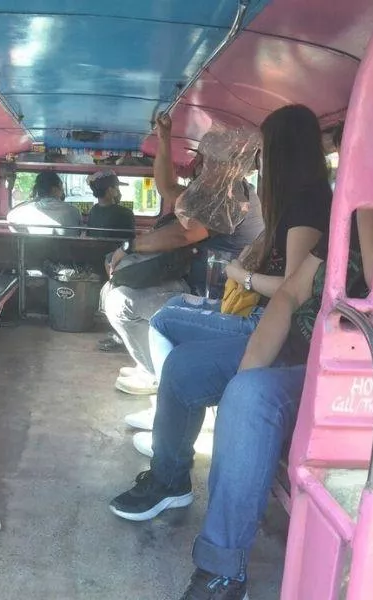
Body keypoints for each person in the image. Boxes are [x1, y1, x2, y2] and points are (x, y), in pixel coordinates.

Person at [109, 96, 373, 600]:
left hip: (357, 380)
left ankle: (223, 571)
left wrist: (367, 195)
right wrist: (250, 369)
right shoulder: (355, 223)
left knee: (252, 398)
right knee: (187, 369)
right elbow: (294, 291)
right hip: (301, 352)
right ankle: (170, 479)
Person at [125, 105, 332, 446]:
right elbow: (167, 189)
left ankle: (176, 415)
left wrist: (241, 275)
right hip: (256, 311)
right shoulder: (291, 202)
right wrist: (163, 139)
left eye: (263, 152)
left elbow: (295, 289)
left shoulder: (301, 207)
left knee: (164, 322)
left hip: (267, 324)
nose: (259, 162)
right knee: (173, 308)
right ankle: (172, 410)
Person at [103, 116, 265, 396]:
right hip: (199, 285)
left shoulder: (232, 197)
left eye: (206, 159)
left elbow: (184, 235)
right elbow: (167, 188)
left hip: (218, 299)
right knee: (113, 288)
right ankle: (155, 367)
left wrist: (129, 247)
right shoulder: (214, 192)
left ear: (227, 163)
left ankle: (163, 379)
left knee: (120, 301)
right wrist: (164, 137)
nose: (199, 165)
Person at [6, 171, 82, 235]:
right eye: (61, 186)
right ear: (55, 189)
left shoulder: (25, 212)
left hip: (34, 252)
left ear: (37, 190)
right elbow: (78, 233)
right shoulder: (73, 211)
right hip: (64, 252)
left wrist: (34, 199)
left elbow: (10, 217)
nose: (63, 190)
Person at [85, 170, 136, 238]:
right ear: (110, 189)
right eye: (116, 187)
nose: (118, 190)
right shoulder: (126, 212)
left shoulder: (93, 210)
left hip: (95, 248)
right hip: (117, 248)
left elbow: (88, 234)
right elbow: (131, 240)